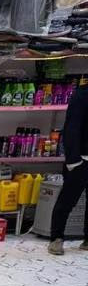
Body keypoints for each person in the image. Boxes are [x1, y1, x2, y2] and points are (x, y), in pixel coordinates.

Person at [49, 79, 88, 255]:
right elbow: (71, 127)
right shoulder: (82, 95)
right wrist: (73, 160)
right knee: (67, 201)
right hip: (81, 159)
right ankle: (56, 238)